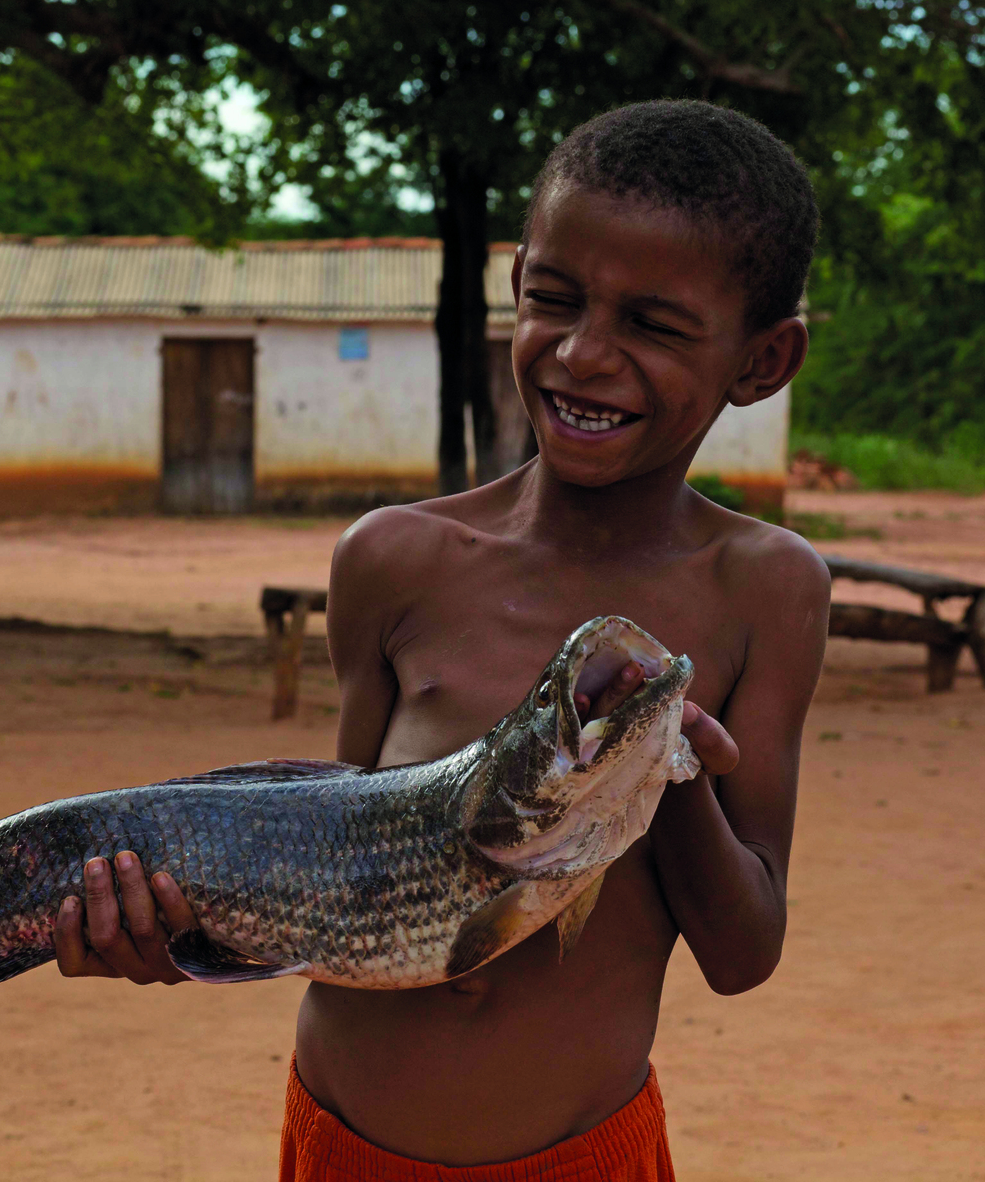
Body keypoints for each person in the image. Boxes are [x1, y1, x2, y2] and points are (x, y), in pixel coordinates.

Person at [52, 99, 830, 1179]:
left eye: (653, 324)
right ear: (515, 287)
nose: (584, 352)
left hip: (584, 1158)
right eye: (554, 299)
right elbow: (330, 868)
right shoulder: (396, 560)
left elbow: (745, 952)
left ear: (764, 359)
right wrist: (169, 939)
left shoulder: (764, 588)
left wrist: (662, 765)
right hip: (341, 1144)